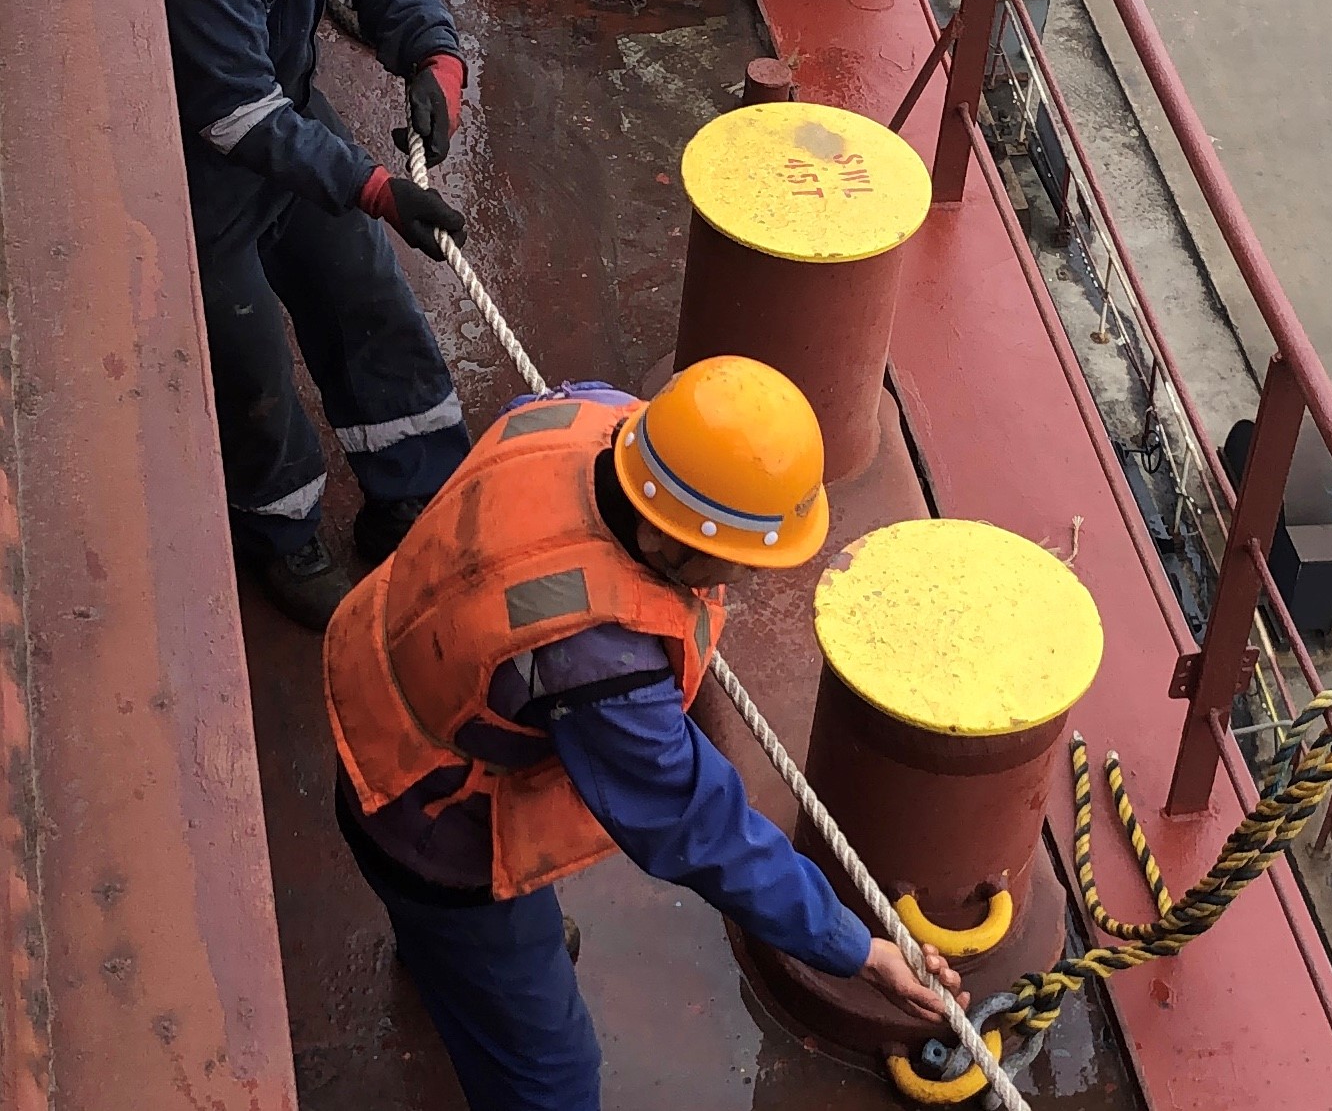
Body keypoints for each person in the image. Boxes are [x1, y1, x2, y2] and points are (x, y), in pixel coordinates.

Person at [326, 356, 965, 1111]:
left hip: (381, 693)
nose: (750, 579)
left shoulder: (595, 417)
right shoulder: (597, 658)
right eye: (743, 560)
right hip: (431, 826)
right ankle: (460, 960)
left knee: (456, 949)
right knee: (551, 1081)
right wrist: (857, 951)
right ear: (673, 544)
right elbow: (698, 826)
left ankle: (444, 958)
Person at [148, 0, 470, 629]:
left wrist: (433, 58)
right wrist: (373, 184)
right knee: (248, 359)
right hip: (196, 171)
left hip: (280, 114)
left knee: (366, 295)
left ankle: (411, 481)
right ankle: (282, 535)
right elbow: (238, 116)